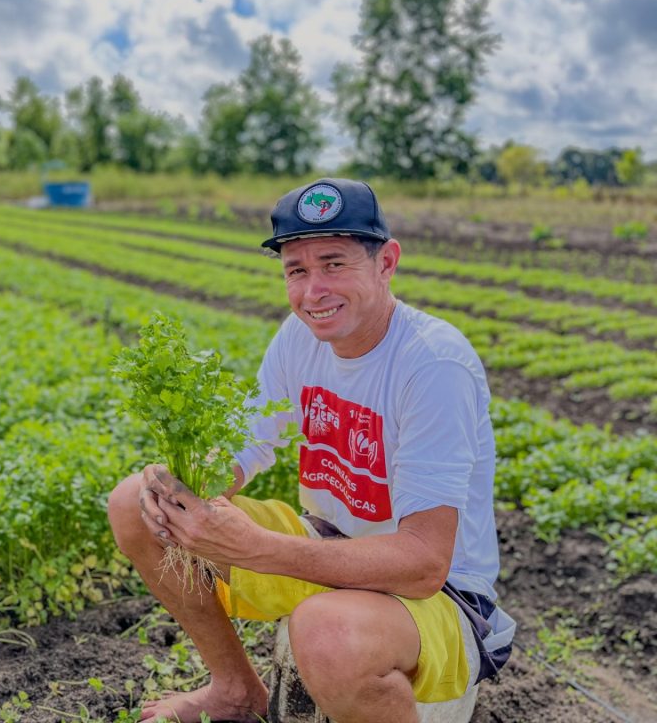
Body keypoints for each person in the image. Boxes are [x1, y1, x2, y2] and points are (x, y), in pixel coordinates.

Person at [107, 178, 515, 723]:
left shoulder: (433, 365)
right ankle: (234, 691)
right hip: (334, 545)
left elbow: (423, 565)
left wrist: (253, 547)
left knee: (326, 630)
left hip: (440, 599)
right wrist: (191, 486)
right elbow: (249, 443)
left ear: (386, 263)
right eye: (296, 271)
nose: (312, 291)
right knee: (135, 501)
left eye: (334, 264)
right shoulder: (300, 337)